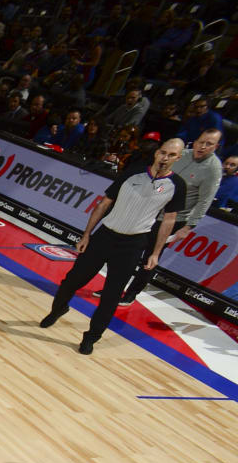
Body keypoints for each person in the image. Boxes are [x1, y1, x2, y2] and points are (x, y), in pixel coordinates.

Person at [40, 138, 185, 355]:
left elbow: (169, 221)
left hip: (133, 244)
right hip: (105, 236)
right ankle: (58, 309)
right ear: (156, 153)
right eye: (163, 152)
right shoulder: (133, 173)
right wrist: (87, 235)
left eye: (171, 155)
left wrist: (156, 253)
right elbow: (104, 203)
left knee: (111, 296)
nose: (165, 158)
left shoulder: (177, 186)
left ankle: (91, 337)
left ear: (178, 158)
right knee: (71, 281)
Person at [104, 127, 223, 308]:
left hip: (174, 218)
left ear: (216, 147)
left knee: (151, 257)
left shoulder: (214, 169)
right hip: (151, 210)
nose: (203, 146)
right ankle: (112, 289)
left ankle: (131, 293)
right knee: (128, 251)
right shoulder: (181, 155)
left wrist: (189, 226)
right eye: (201, 142)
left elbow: (204, 201)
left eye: (209, 144)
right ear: (195, 140)